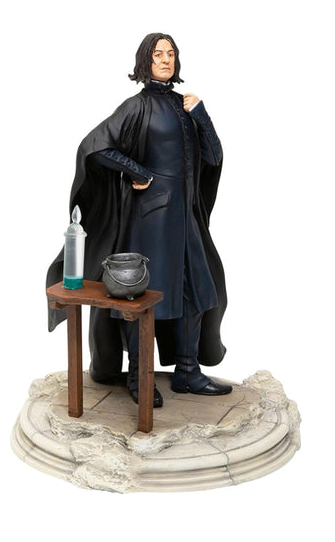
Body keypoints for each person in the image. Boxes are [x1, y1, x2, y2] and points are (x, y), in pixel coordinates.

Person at [46, 32, 231, 407]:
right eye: (158, 54)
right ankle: (137, 375)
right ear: (145, 61)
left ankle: (187, 371)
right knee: (141, 296)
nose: (165, 60)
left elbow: (213, 156)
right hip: (151, 220)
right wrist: (136, 170)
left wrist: (201, 114)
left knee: (199, 290)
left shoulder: (185, 105)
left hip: (186, 219)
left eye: (171, 53)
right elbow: (94, 146)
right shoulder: (137, 106)